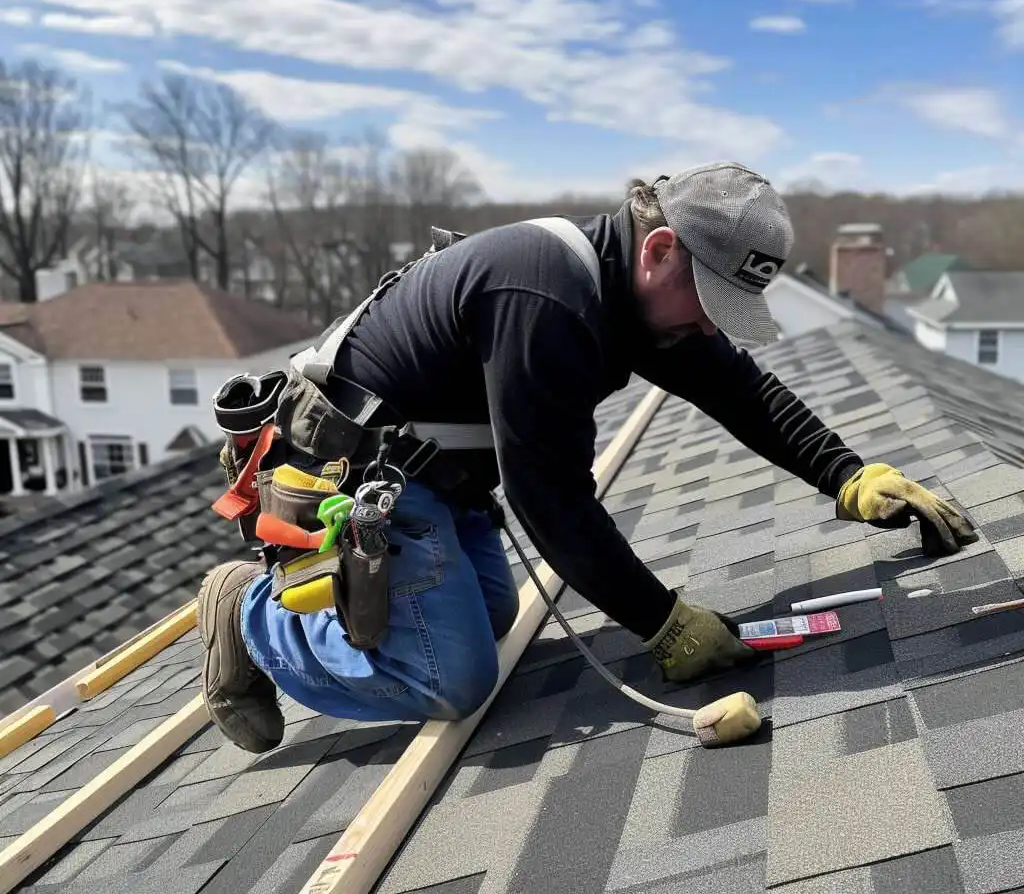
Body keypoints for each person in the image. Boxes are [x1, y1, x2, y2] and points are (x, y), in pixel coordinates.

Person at [197, 161, 978, 754]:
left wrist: (849, 475)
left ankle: (335, 616)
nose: (712, 328)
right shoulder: (548, 299)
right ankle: (249, 615)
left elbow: (744, 393)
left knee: (491, 619)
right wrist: (663, 625)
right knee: (451, 677)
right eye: (711, 302)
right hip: (357, 474)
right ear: (661, 249)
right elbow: (551, 501)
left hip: (440, 476)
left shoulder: (641, 297)